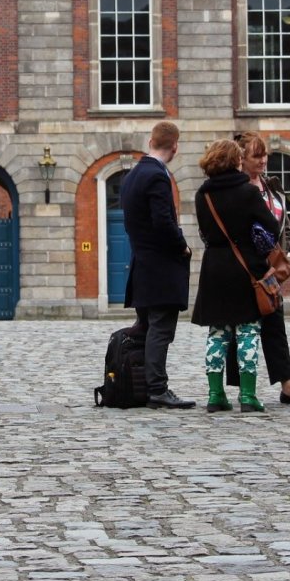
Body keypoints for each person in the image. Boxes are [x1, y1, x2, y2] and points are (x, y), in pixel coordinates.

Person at [224, 132, 290, 406]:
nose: (264, 160)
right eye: (257, 155)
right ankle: (243, 387)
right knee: (241, 329)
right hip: (244, 269)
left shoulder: (271, 187)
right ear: (241, 159)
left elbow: (283, 225)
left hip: (271, 271)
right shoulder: (233, 190)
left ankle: (287, 384)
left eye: (265, 155)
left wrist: (281, 257)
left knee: (275, 324)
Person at [190, 139, 282, 413]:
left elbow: (205, 233)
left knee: (217, 332)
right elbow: (271, 226)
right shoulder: (247, 192)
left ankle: (216, 394)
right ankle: (248, 395)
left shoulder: (202, 194)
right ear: (235, 161)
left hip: (214, 266)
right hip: (245, 266)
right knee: (248, 331)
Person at [119, 121, 196, 410]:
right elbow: (163, 222)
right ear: (175, 146)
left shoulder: (132, 176)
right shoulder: (157, 176)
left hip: (141, 264)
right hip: (160, 267)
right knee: (160, 329)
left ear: (151, 140)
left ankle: (149, 385)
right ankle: (157, 389)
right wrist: (182, 246)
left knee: (150, 327)